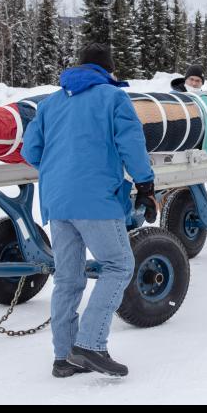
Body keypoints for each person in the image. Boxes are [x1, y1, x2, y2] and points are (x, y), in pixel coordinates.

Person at [22, 42, 158, 378]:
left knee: (68, 279)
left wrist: (60, 170)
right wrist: (145, 185)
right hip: (96, 199)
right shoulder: (114, 98)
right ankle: (91, 344)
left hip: (56, 201)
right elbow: (132, 145)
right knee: (119, 264)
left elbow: (30, 151)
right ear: (108, 71)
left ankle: (64, 357)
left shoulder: (50, 103)